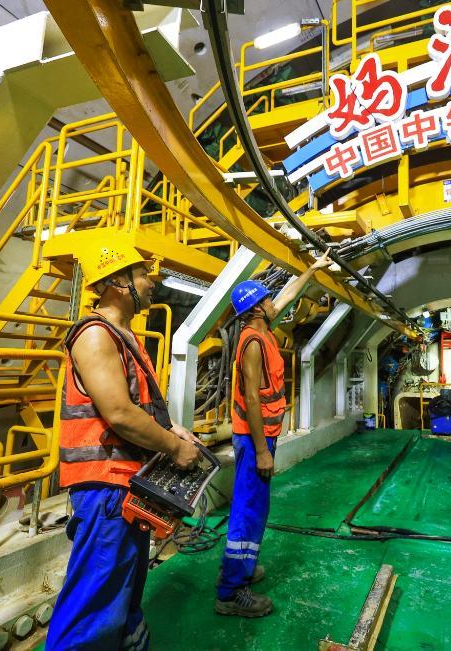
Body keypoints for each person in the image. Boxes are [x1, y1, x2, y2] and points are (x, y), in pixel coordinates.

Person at [46, 234, 200, 650]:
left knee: (121, 593)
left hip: (124, 484)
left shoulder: (123, 335)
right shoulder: (96, 335)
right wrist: (174, 448)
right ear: (117, 282)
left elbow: (136, 405)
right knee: (93, 606)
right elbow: (118, 413)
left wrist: (172, 428)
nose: (152, 282)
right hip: (106, 486)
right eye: (143, 274)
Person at [215, 252, 332, 617]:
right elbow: (251, 398)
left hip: (262, 436)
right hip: (254, 440)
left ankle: (242, 568)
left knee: (256, 506)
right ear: (256, 309)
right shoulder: (252, 342)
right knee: (248, 508)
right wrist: (263, 450)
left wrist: (311, 270)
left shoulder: (264, 328)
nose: (272, 301)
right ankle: (230, 591)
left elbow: (289, 294)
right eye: (267, 299)